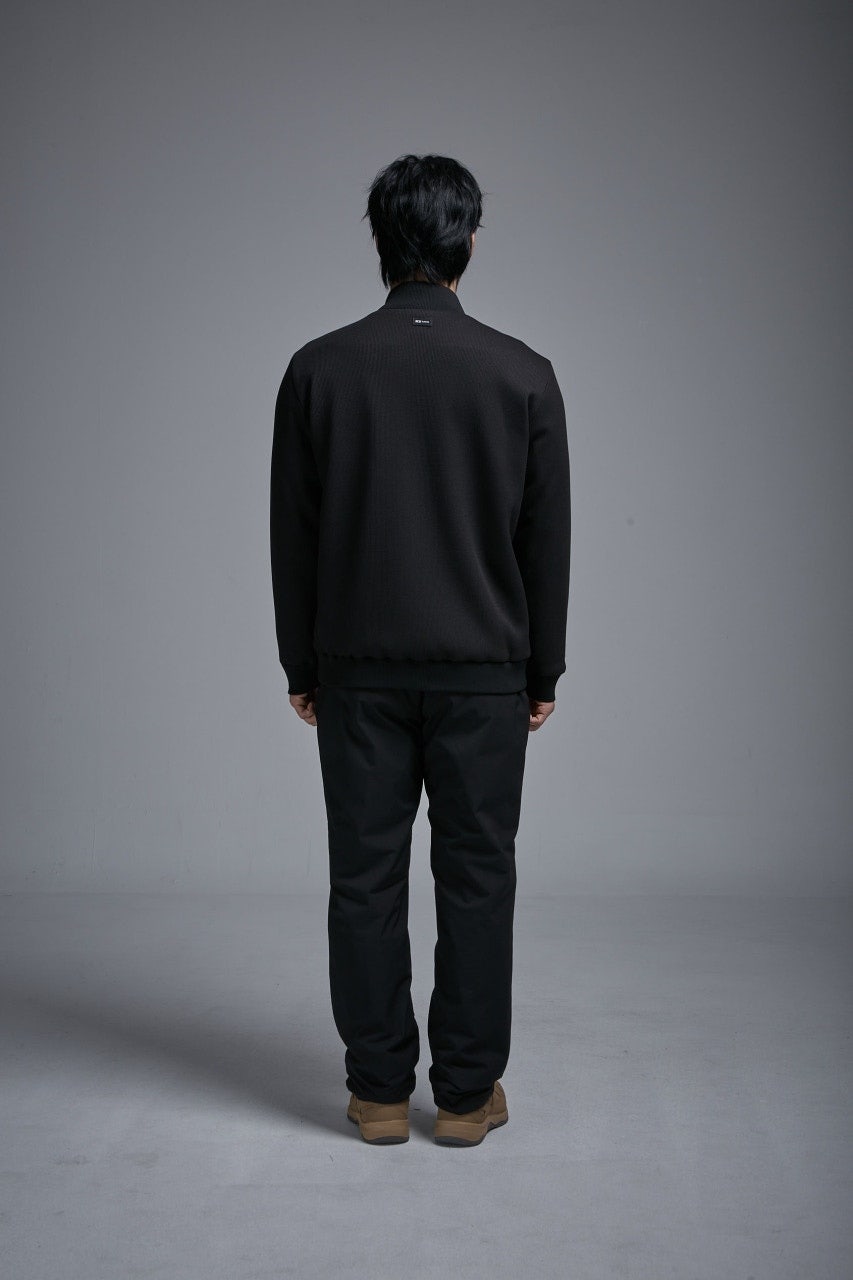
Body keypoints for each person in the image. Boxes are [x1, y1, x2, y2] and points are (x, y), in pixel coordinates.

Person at [270, 153, 571, 1146]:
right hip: (484, 676)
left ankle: (378, 1094)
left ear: (380, 240)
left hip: (357, 673)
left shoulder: (318, 368)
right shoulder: (521, 373)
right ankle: (468, 1097)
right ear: (465, 241)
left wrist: (301, 665)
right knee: (478, 878)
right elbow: (545, 539)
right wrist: (541, 670)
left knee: (364, 880)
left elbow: (293, 535)